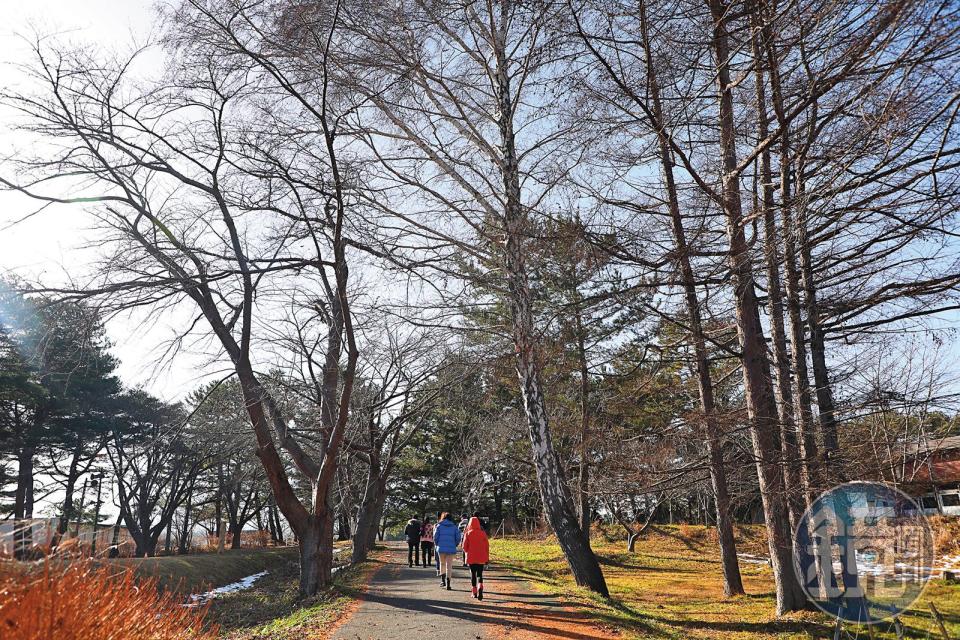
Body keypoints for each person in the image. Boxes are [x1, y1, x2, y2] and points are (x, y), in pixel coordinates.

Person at [462, 516, 490, 600]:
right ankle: (480, 585)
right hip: (481, 557)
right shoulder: (482, 533)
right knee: (480, 574)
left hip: (471, 557)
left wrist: (467, 551)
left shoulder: (468, 533)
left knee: (473, 574)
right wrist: (487, 557)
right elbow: (487, 546)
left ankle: (474, 591)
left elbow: (464, 547)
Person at [433, 512, 461, 589]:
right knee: (449, 566)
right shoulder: (454, 527)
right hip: (451, 548)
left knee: (442, 564)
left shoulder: (439, 526)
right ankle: (448, 582)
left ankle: (443, 581)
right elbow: (458, 538)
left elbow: (435, 537)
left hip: (441, 548)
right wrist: (454, 544)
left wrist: (437, 544)